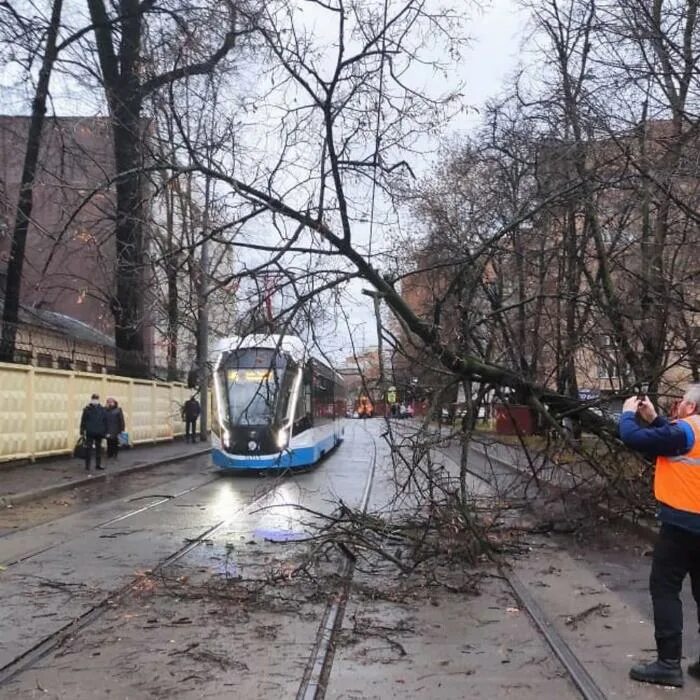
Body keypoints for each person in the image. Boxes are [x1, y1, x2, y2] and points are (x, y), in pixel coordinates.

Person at [620, 384, 700, 688]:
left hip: (682, 526)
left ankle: (668, 664)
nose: (677, 407)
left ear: (690, 408)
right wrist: (654, 418)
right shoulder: (686, 433)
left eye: (681, 403)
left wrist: (628, 413)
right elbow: (679, 445)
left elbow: (633, 438)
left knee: (664, 588)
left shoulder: (686, 429)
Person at [80, 393, 108, 472]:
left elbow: (105, 421)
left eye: (96, 398)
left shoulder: (102, 409)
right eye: (94, 398)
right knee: (88, 449)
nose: (95, 400)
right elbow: (83, 421)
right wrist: (82, 431)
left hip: (99, 432)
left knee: (98, 449)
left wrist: (105, 431)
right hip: (90, 432)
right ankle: (87, 466)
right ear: (91, 399)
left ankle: (98, 465)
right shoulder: (87, 409)